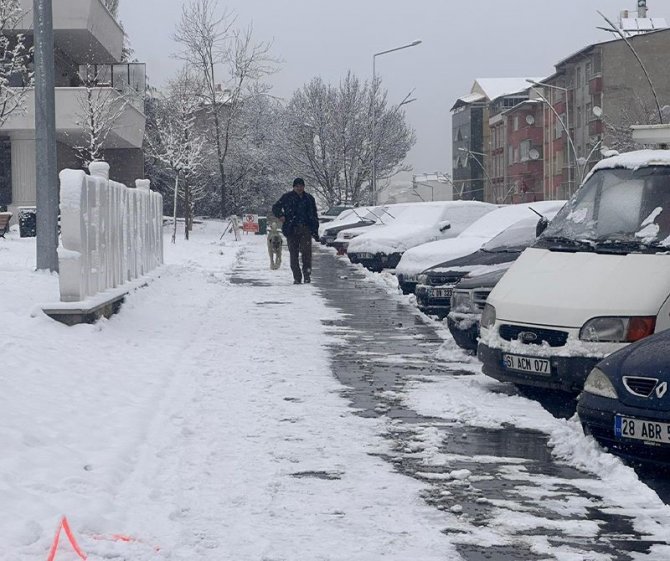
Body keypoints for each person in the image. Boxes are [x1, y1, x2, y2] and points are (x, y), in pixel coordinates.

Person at [272, 177, 319, 284]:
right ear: (294, 187)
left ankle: (307, 275)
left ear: (304, 187)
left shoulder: (309, 198)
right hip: (291, 229)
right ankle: (297, 277)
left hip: (306, 229)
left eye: (301, 186)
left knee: (307, 254)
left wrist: (315, 230)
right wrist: (281, 215)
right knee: (294, 254)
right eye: (297, 186)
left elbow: (314, 214)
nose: (299, 188)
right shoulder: (287, 197)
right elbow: (275, 207)